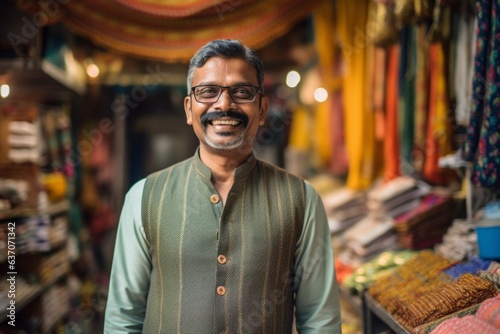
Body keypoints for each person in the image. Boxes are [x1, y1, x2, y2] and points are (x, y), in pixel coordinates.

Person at [104, 39, 342, 333]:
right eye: (208, 92)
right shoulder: (144, 198)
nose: (225, 104)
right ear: (189, 109)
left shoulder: (301, 200)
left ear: (262, 109)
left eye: (242, 92)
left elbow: (320, 320)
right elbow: (123, 318)